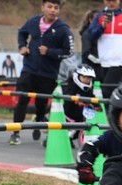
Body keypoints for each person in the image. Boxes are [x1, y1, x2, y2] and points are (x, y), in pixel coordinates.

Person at [11, 0, 74, 145]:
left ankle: (38, 123)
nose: (52, 10)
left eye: (56, 8)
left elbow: (68, 51)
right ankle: (15, 133)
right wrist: (22, 46)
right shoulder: (33, 22)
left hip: (48, 74)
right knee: (22, 100)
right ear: (43, 7)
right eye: (49, 7)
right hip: (29, 70)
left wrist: (50, 52)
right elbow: (21, 32)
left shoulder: (63, 29)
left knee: (41, 104)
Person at [87, 0, 122, 99]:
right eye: (108, 0)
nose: (111, 3)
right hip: (104, 61)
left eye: (114, 0)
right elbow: (90, 36)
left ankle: (104, 112)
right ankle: (111, 113)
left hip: (120, 61)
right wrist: (102, 26)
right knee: (109, 91)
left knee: (106, 90)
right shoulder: (99, 17)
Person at [59, 64, 97, 148]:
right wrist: (76, 100)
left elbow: (93, 99)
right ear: (77, 76)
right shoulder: (68, 85)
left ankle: (72, 139)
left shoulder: (88, 89)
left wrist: (97, 106)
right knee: (64, 132)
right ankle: (55, 139)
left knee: (85, 127)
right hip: (67, 116)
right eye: (84, 77)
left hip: (81, 118)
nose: (86, 80)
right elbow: (66, 98)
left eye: (89, 78)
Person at [79, 9, 101, 79]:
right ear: (90, 20)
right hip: (89, 70)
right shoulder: (87, 34)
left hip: (101, 69)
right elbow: (86, 53)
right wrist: (99, 61)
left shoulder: (102, 34)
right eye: (96, 20)